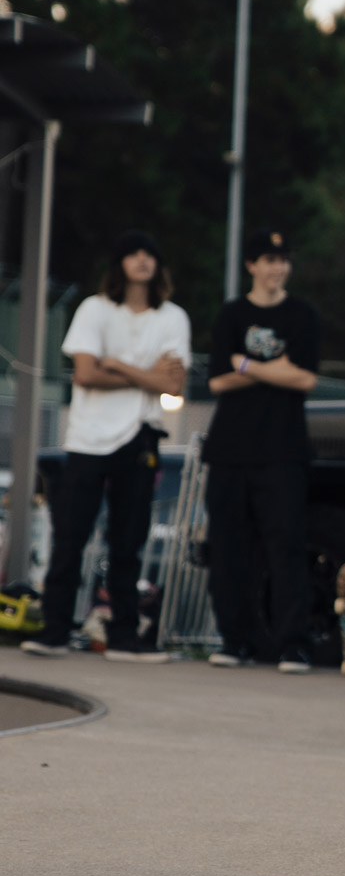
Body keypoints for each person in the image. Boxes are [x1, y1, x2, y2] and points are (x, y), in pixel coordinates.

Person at [21, 231, 190, 661]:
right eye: (133, 253)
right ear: (119, 264)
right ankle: (55, 630)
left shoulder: (172, 318)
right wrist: (140, 374)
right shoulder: (94, 310)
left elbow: (172, 382)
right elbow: (85, 374)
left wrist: (114, 363)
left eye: (149, 253)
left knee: (128, 540)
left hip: (140, 434)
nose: (142, 260)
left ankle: (124, 636)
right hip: (88, 437)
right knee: (70, 535)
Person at [203, 230, 320, 673]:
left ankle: (292, 643)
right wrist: (277, 369)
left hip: (283, 451)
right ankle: (235, 640)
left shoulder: (302, 315)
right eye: (268, 259)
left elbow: (305, 378)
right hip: (230, 449)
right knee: (229, 550)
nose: (277, 267)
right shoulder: (232, 314)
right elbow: (216, 380)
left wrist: (247, 364)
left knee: (286, 547)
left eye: (282, 259)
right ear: (251, 264)